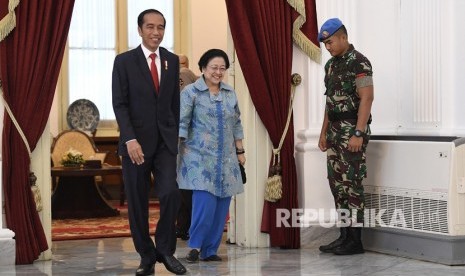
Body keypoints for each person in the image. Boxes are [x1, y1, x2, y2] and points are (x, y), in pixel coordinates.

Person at [112, 9, 186, 275]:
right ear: (140, 29)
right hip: (135, 145)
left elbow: (174, 104)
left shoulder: (171, 60)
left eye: (161, 27)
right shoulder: (124, 62)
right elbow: (119, 104)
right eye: (151, 27)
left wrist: (175, 134)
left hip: (165, 143)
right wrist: (129, 138)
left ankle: (165, 250)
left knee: (170, 192)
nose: (156, 32)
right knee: (138, 202)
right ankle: (146, 256)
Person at [177, 48, 245, 262]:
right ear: (203, 68)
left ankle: (210, 250)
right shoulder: (190, 92)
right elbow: (182, 122)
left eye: (222, 68)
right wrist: (174, 150)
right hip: (198, 157)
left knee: (222, 204)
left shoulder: (229, 92)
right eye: (214, 67)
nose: (218, 72)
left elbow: (236, 123)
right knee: (204, 203)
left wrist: (240, 151)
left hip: (226, 158)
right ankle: (195, 246)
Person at [317, 18, 374, 255]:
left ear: (343, 37)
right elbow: (330, 102)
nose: (328, 46)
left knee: (352, 186)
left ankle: (355, 241)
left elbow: (367, 98)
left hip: (352, 131)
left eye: (330, 41)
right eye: (325, 44)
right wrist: (323, 132)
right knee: (337, 185)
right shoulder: (330, 65)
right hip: (334, 132)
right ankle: (343, 236)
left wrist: (358, 133)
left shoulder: (360, 62)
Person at [175, 54, 198, 241]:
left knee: (183, 187)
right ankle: (185, 227)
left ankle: (183, 227)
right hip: (192, 141)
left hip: (183, 140)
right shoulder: (198, 81)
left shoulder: (182, 75)